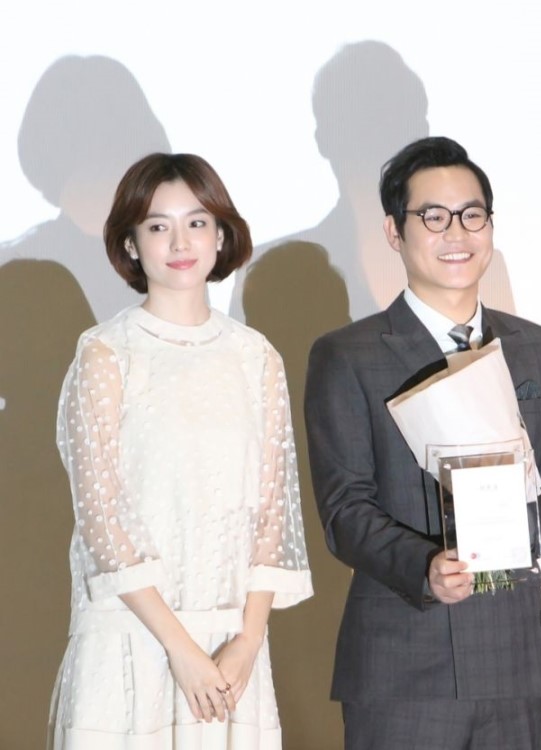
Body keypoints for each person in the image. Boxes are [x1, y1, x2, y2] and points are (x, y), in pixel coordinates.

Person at [304, 136, 541, 750]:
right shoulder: (347, 356)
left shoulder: (540, 349)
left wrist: (509, 538)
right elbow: (344, 510)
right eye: (433, 217)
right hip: (404, 662)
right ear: (394, 231)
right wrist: (425, 568)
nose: (456, 233)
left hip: (514, 660)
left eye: (471, 215)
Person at [48, 153, 313, 749]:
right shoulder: (106, 353)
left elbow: (272, 510)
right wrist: (179, 648)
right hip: (133, 635)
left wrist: (248, 640)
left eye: (196, 222)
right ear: (131, 244)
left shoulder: (256, 357)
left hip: (231, 645)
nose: (180, 242)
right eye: (157, 226)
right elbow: (102, 521)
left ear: (220, 234)